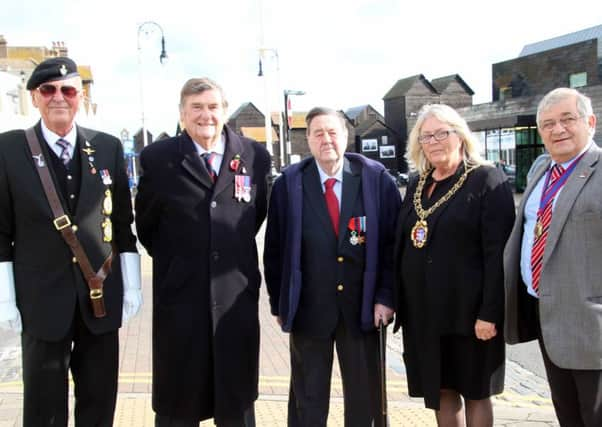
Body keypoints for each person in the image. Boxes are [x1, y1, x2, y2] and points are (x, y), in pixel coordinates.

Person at [0, 57, 142, 427]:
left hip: (100, 297)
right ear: (34, 96)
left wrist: (133, 286)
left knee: (99, 400)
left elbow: (124, 225)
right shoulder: (8, 149)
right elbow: (0, 233)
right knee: (44, 406)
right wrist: (4, 299)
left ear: (80, 97)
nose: (58, 97)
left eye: (67, 90)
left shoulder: (107, 146)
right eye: (48, 90)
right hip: (40, 300)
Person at [135, 77, 270, 427]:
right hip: (181, 300)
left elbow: (254, 218)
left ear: (224, 111)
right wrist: (183, 261)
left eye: (212, 107)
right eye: (196, 108)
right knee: (179, 402)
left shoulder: (255, 156)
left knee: (236, 400)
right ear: (182, 114)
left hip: (234, 300)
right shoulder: (157, 159)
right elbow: (148, 227)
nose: (205, 115)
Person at [264, 107, 401, 426]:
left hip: (363, 309)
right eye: (318, 133)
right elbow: (274, 249)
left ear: (345, 136)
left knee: (365, 399)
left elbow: (394, 245)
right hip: (309, 310)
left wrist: (386, 296)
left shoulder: (375, 179)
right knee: (307, 401)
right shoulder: (289, 184)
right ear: (307, 140)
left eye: (332, 132)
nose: (326, 139)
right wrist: (279, 302)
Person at [393, 104, 515, 426]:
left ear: (460, 136)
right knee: (440, 391)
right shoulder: (418, 183)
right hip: (424, 314)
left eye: (442, 133)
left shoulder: (487, 179)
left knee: (475, 392)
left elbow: (498, 254)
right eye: (426, 135)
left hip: (470, 313)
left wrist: (489, 313)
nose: (433, 141)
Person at [504, 87, 602, 427]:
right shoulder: (541, 169)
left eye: (567, 120)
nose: (557, 129)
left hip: (592, 327)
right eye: (547, 124)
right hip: (547, 318)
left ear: (590, 122)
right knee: (568, 414)